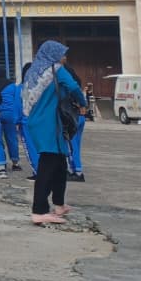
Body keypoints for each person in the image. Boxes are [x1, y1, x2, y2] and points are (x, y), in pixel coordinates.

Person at [22, 41, 86, 225]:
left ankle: (59, 204)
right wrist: (82, 103)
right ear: (53, 55)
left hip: (37, 121)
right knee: (47, 165)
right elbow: (73, 87)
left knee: (59, 163)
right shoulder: (56, 69)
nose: (64, 58)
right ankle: (39, 211)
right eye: (62, 54)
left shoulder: (33, 72)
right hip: (50, 124)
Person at [0, 69, 23, 172]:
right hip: (10, 114)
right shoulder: (12, 86)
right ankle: (15, 163)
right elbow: (17, 101)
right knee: (12, 138)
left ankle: (1, 163)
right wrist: (18, 117)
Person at [63, 63, 87, 182]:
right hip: (80, 117)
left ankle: (76, 171)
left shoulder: (68, 87)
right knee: (76, 145)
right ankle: (77, 169)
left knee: (71, 145)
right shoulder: (77, 85)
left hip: (73, 117)